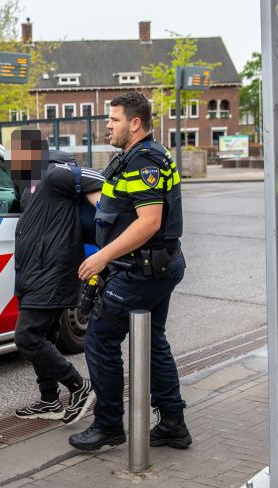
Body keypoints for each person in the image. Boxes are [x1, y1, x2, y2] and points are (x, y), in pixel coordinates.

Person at [70, 92, 191, 452]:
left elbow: (149, 222)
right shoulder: (132, 158)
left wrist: (101, 257)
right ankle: (173, 423)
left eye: (114, 119)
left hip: (142, 270)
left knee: (100, 340)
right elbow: (114, 206)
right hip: (154, 266)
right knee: (153, 341)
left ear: (135, 123)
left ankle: (108, 425)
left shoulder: (145, 160)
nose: (108, 124)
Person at [9, 129, 102, 425]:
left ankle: (78, 386)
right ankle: (49, 400)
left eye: (21, 153)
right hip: (31, 271)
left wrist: (104, 210)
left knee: (27, 336)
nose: (16, 158)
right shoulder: (29, 185)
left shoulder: (54, 175)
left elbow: (101, 181)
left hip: (53, 270)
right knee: (45, 335)